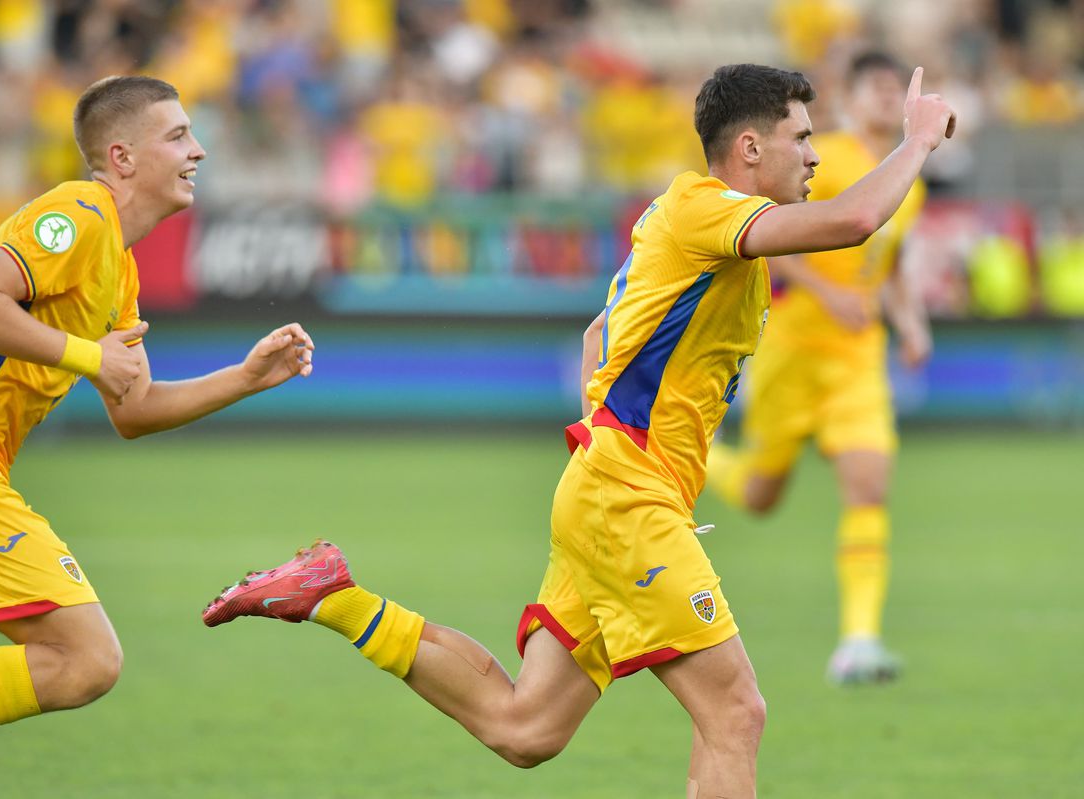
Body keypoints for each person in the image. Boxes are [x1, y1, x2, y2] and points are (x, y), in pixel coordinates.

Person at [202, 64, 953, 798]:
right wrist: (915, 143)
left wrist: (614, 437)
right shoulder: (708, 211)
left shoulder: (694, 222)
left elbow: (602, 330)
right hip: (628, 499)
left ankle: (332, 595)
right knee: (734, 711)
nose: (818, 153)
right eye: (803, 136)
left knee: (525, 728)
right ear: (751, 148)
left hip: (608, 490)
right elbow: (853, 222)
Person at [0, 75, 315, 782]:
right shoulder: (78, 212)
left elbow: (133, 407)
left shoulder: (118, 264)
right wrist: (87, 353)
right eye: (177, 135)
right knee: (85, 659)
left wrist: (244, 377)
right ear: (120, 157)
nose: (198, 150)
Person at [706, 52, 930, 685]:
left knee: (869, 485)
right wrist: (826, 293)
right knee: (758, 495)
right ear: (852, 98)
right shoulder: (818, 157)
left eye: (896, 89)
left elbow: (887, 259)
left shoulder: (901, 176)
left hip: (857, 357)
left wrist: (910, 323)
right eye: (876, 89)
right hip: (795, 349)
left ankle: (860, 640)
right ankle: (705, 460)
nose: (889, 99)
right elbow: (775, 233)